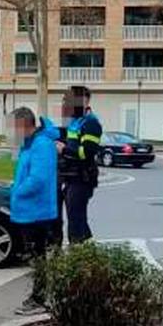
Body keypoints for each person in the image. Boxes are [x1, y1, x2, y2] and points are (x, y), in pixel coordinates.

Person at [7, 107, 60, 315]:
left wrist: (18, 192)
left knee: (38, 256)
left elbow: (38, 179)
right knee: (35, 256)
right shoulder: (29, 145)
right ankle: (38, 297)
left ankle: (39, 299)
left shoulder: (41, 145)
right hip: (28, 209)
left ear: (23, 125)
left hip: (37, 211)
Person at [57, 85, 101, 243]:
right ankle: (85, 249)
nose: (65, 104)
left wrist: (64, 150)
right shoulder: (74, 121)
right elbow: (67, 140)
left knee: (76, 218)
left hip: (82, 177)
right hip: (69, 176)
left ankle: (78, 252)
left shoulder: (91, 123)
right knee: (74, 216)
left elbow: (88, 152)